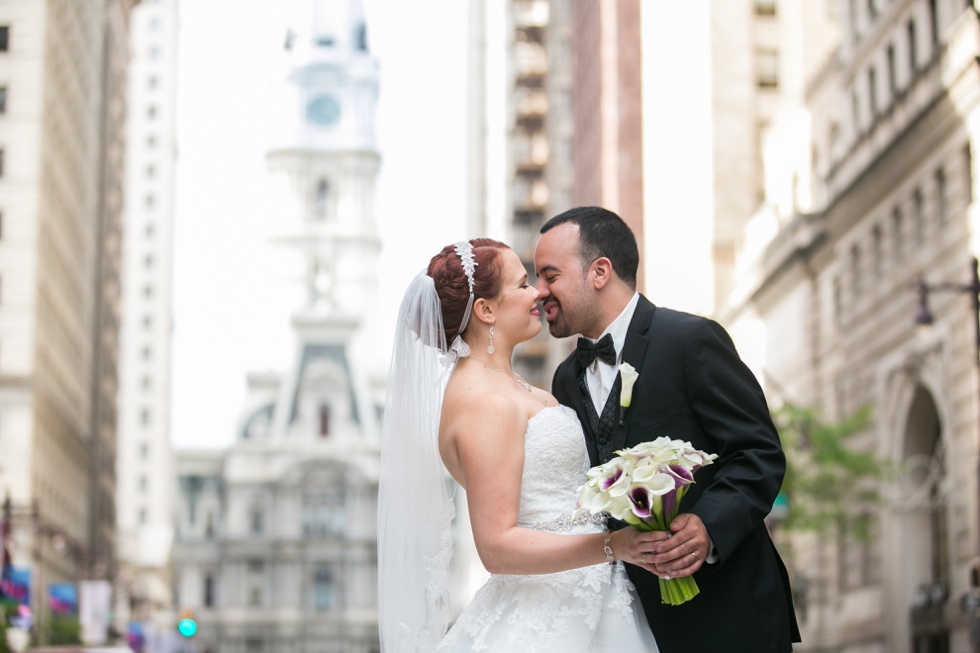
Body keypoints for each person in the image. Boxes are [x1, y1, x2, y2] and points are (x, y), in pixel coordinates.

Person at [534, 207, 802, 653]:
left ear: (599, 271)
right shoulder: (566, 379)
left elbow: (758, 452)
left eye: (550, 275)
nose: (539, 292)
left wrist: (708, 526)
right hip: (633, 624)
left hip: (730, 614)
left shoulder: (690, 340)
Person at [377, 238, 662, 652]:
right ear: (486, 309)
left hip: (588, 593)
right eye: (523, 284)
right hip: (546, 613)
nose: (538, 294)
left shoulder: (507, 387)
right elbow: (496, 545)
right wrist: (614, 546)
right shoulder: (482, 402)